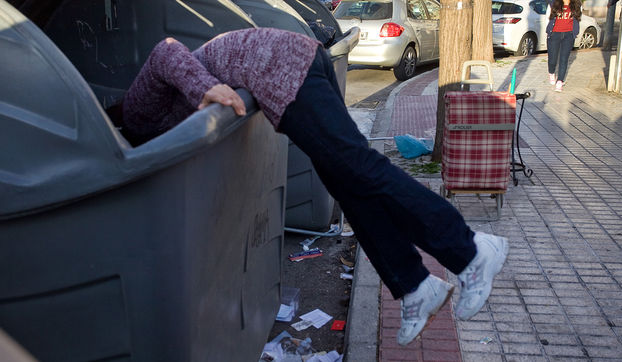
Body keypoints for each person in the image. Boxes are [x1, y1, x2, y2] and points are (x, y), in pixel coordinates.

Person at [112, 27, 509, 346]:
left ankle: (472, 251)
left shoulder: (134, 118)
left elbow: (165, 51)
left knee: (362, 169)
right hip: (288, 68)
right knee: (351, 184)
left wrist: (203, 88)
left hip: (282, 71)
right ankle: (415, 288)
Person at [546, 0, 582, 92]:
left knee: (564, 59)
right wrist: (548, 32)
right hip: (554, 34)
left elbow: (577, 19)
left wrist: (575, 32)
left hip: (568, 35)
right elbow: (548, 18)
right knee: (552, 59)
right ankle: (551, 72)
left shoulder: (577, 5)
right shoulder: (553, 3)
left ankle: (560, 81)